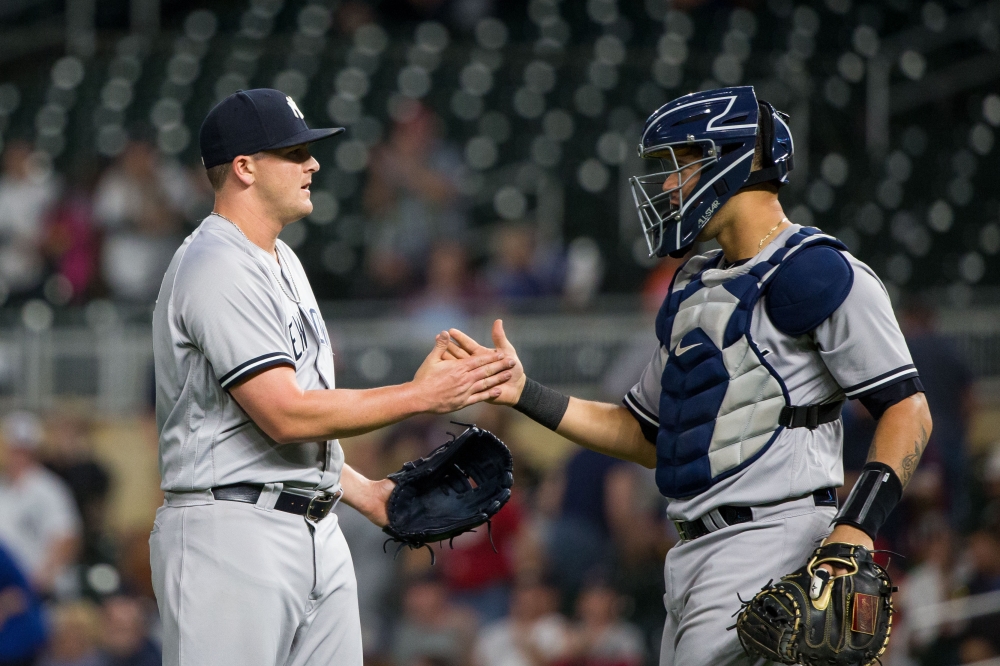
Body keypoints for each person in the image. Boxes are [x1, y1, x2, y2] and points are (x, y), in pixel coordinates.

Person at [446, 86, 933, 665]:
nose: (669, 186)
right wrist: (523, 393)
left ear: (735, 161)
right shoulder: (695, 283)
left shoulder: (818, 271)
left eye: (682, 163)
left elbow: (909, 410)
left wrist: (854, 532)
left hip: (775, 542)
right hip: (691, 556)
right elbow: (644, 435)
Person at [149, 88, 514, 666]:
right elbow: (284, 414)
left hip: (315, 526)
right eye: (294, 153)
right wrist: (420, 397)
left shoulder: (283, 260)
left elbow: (310, 408)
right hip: (232, 532)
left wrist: (364, 492)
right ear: (244, 167)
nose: (312, 163)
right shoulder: (215, 264)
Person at [0, 411, 81, 597]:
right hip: (7, 590)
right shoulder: (3, 488)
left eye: (23, 450)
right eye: (13, 449)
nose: (17, 456)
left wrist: (39, 579)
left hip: (39, 590)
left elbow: (67, 538)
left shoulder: (48, 489)